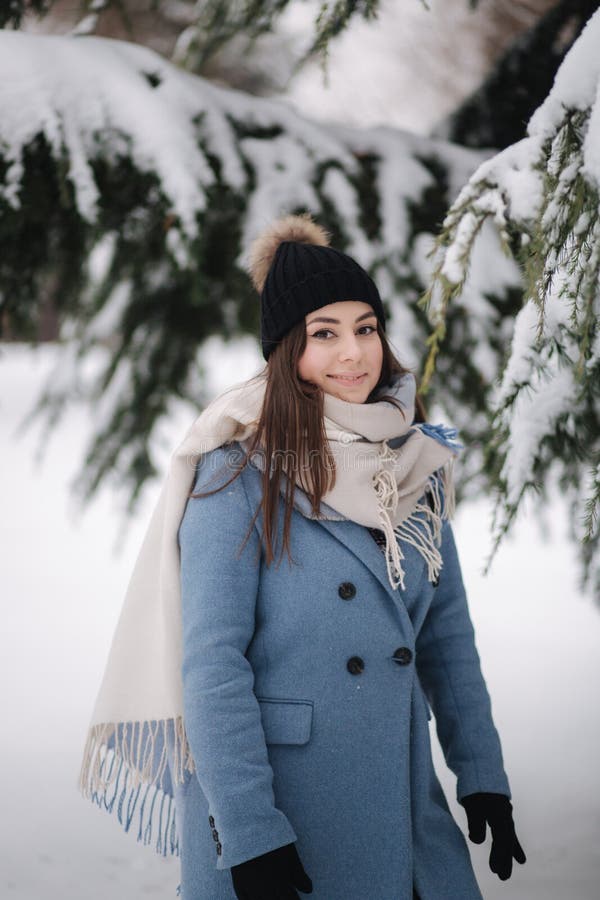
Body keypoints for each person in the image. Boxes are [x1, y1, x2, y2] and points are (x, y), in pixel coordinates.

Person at [79, 214, 526, 900]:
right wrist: (251, 829)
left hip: (402, 800)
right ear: (287, 348)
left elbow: (446, 636)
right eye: (325, 333)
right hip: (283, 810)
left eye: (366, 327)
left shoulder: (414, 462)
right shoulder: (236, 473)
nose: (353, 353)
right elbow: (212, 666)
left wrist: (483, 774)